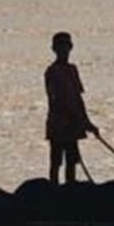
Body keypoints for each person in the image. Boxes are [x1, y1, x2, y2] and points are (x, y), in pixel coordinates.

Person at [44, 31, 99, 184]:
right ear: (54, 49)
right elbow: (58, 100)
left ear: (70, 48)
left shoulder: (72, 70)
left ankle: (70, 188)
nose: (64, 50)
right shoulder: (52, 72)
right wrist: (79, 120)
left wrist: (87, 122)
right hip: (59, 124)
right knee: (56, 161)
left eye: (66, 46)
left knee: (72, 160)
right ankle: (54, 191)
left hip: (73, 125)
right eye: (60, 47)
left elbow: (78, 98)